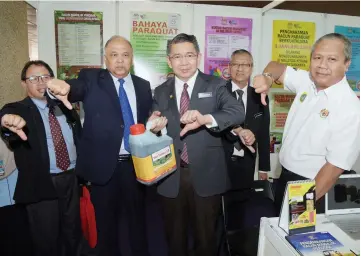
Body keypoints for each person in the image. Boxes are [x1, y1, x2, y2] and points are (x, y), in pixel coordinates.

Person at [47, 36, 152, 256]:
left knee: (139, 223)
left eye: (125, 55)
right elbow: (73, 89)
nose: (120, 61)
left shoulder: (143, 86)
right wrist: (57, 88)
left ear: (132, 58)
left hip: (136, 166)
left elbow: (146, 119)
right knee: (106, 226)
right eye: (114, 55)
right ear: (105, 58)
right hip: (104, 168)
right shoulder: (91, 78)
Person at [151, 33, 245, 256]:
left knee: (207, 239)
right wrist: (154, 127)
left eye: (189, 55)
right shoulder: (161, 91)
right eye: (177, 57)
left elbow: (237, 112)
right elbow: (154, 123)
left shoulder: (216, 85)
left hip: (206, 173)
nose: (184, 62)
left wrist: (206, 119)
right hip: (171, 174)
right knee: (175, 238)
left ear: (199, 56)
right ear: (169, 60)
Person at [253, 33, 360, 214]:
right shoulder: (307, 81)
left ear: (346, 64)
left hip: (313, 187)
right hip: (285, 177)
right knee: (277, 236)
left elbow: (333, 168)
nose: (322, 65)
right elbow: (276, 66)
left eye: (332, 59)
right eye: (317, 57)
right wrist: (267, 78)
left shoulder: (350, 107)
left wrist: (299, 208)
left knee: (295, 238)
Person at [0, 60, 82, 256]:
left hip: (71, 179)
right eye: (33, 78)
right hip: (41, 183)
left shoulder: (64, 106)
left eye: (45, 77)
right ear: (24, 83)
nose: (40, 82)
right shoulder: (18, 109)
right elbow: (7, 122)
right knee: (46, 239)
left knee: (73, 232)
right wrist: (7, 123)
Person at [223, 49, 270, 192]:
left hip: (247, 162)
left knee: (242, 206)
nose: (240, 68)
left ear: (251, 68)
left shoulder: (259, 96)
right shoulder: (218, 92)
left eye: (245, 65)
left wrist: (263, 167)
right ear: (229, 67)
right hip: (220, 162)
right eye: (236, 64)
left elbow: (263, 133)